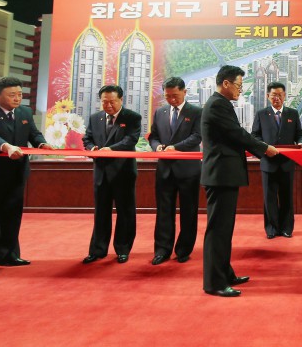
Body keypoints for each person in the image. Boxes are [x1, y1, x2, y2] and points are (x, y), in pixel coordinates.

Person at [201, 65, 278, 297]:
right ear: (226, 83)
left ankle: (225, 273)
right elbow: (237, 134)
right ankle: (214, 282)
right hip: (220, 174)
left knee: (225, 228)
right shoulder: (217, 104)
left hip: (224, 173)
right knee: (218, 230)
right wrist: (264, 148)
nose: (240, 90)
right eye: (238, 85)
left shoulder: (221, 103)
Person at [0, 77, 52, 276]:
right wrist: (6, 146)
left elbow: (33, 133)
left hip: (15, 173)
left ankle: (8, 255)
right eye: (12, 95)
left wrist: (41, 144)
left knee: (11, 217)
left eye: (20, 94)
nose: (17, 98)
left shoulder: (24, 112)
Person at [81, 84, 142, 264]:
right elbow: (87, 138)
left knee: (125, 211)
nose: (108, 105)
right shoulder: (95, 118)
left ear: (121, 100)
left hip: (123, 172)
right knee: (101, 212)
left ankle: (123, 249)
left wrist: (110, 149)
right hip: (101, 172)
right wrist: (92, 148)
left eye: (112, 102)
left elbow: (130, 140)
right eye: (104, 102)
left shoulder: (132, 117)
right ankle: (98, 250)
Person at [148, 77, 203, 265]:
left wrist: (175, 148)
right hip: (164, 170)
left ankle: (183, 249)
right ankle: (162, 250)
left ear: (185, 92)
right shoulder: (160, 112)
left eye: (175, 96)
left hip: (188, 170)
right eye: (167, 96)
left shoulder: (196, 112)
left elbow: (197, 136)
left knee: (188, 211)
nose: (171, 100)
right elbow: (153, 136)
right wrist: (156, 147)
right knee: (164, 211)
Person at [251, 81, 302, 239]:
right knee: (269, 198)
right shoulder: (261, 114)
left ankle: (287, 228)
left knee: (287, 197)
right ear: (268, 96)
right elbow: (255, 136)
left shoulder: (292, 113)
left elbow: (299, 134)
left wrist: (301, 142)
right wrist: (264, 149)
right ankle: (271, 228)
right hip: (268, 163)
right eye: (274, 95)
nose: (277, 98)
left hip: (287, 163)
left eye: (280, 95)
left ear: (285, 96)